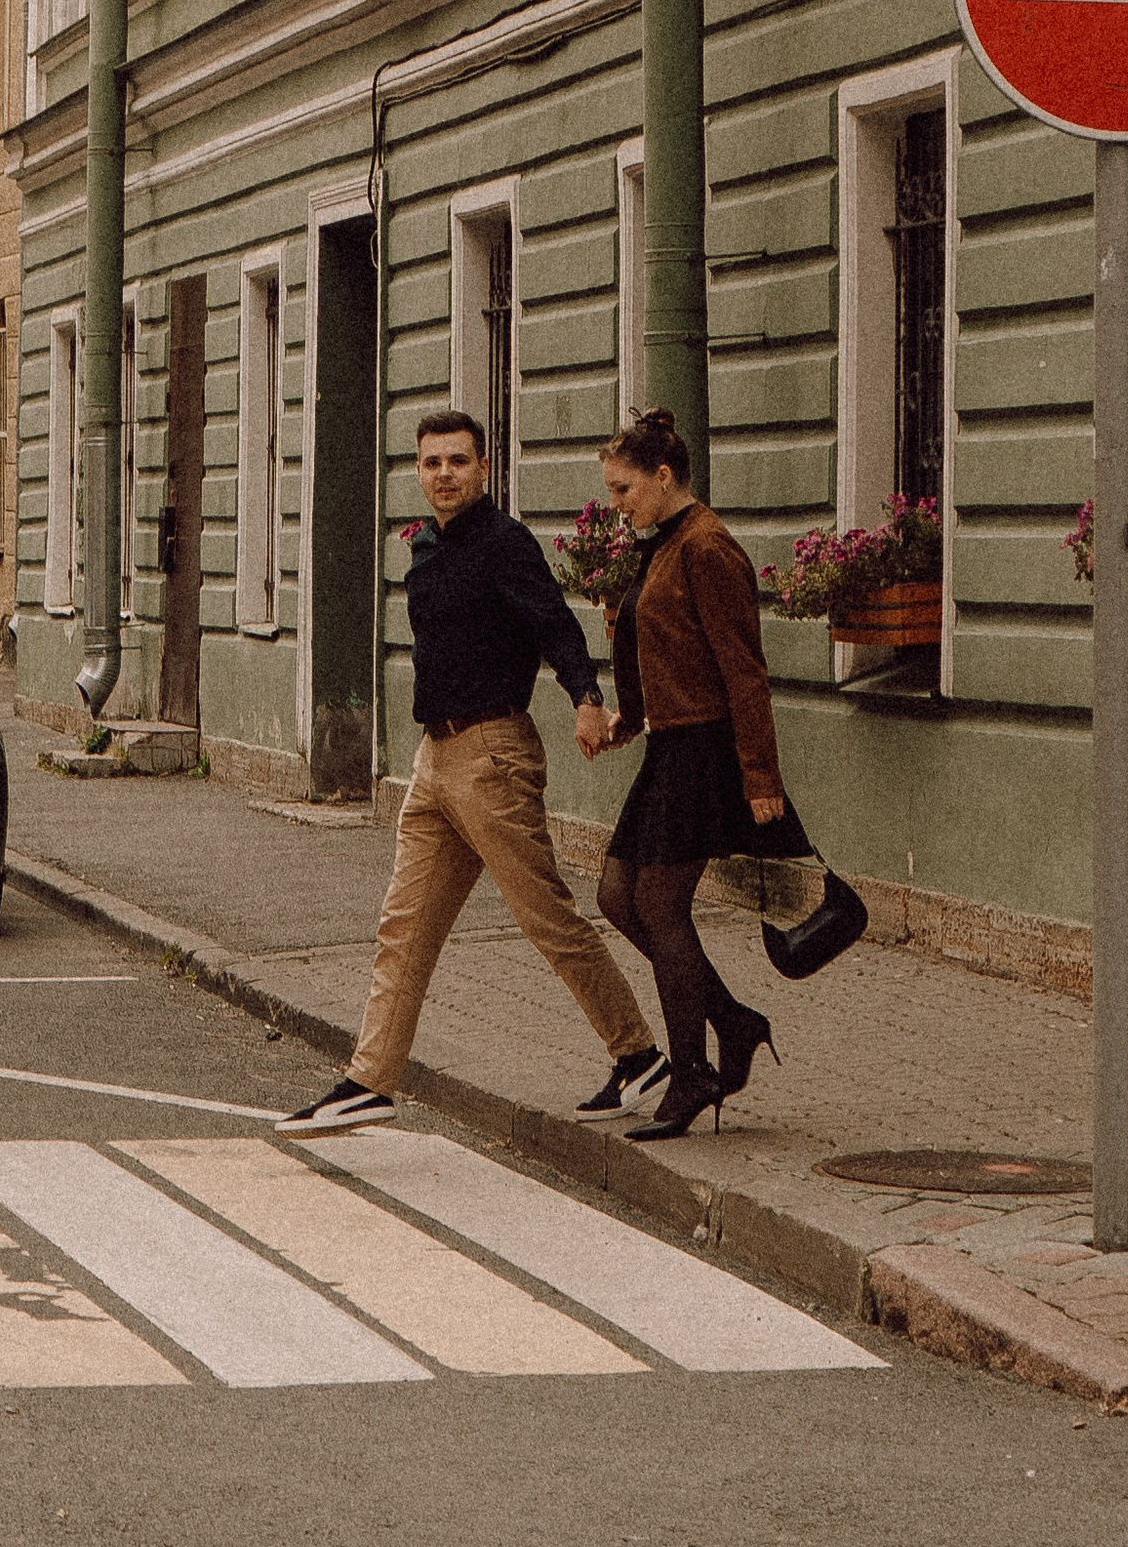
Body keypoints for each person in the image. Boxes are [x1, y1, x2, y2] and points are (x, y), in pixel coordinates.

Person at [276, 407, 665, 1137]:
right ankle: (370, 1079)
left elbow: (555, 624)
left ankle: (639, 1055)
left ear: (483, 468)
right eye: (431, 463)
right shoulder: (426, 546)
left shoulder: (504, 544)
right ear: (418, 472)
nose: (444, 474)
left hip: (491, 756)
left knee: (547, 918)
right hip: (436, 760)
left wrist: (586, 698)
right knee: (403, 926)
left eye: (457, 461)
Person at [592, 405, 809, 1140]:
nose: (616, 506)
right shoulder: (667, 541)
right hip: (670, 744)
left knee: (658, 905)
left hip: (707, 751)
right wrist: (631, 715)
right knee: (617, 895)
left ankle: (693, 1075)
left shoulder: (710, 547)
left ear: (663, 476)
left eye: (624, 490)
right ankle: (733, 1021)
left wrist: (760, 779)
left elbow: (745, 673)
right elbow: (654, 637)